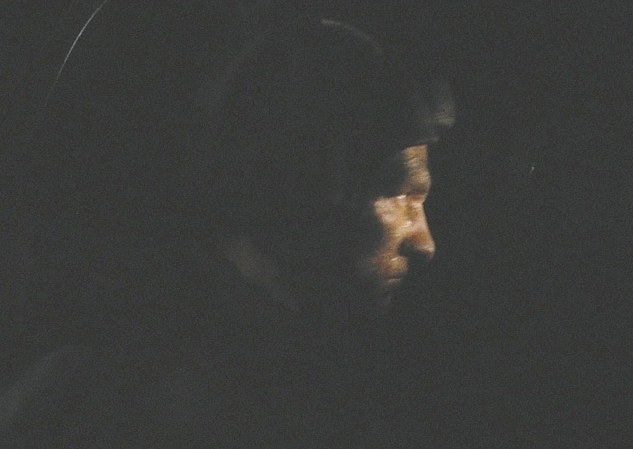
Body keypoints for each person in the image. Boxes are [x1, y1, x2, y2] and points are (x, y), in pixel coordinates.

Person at [1, 7, 454, 448]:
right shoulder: (152, 395)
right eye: (400, 195)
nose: (424, 242)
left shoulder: (265, 373)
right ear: (301, 191)